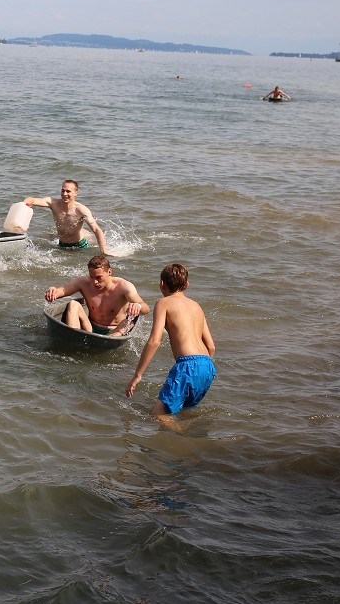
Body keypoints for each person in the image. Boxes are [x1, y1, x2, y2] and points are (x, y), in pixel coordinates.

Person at [125, 263, 216, 433]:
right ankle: (185, 452)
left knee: (157, 414)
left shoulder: (163, 303)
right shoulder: (196, 306)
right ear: (187, 285)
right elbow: (211, 346)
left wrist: (137, 375)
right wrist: (201, 369)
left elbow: (154, 341)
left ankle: (186, 439)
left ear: (161, 284)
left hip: (188, 364)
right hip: (207, 366)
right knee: (181, 411)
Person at [44, 254, 149, 335]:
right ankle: (74, 336)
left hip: (113, 331)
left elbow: (146, 308)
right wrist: (53, 291)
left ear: (109, 272)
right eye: (92, 277)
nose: (94, 282)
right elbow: (62, 290)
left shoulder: (123, 286)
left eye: (99, 277)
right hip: (90, 327)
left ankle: (105, 341)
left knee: (128, 322)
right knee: (73, 304)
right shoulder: (83, 282)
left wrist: (138, 306)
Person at [24, 179, 110, 254]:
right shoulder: (54, 204)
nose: (65, 194)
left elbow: (96, 229)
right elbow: (33, 200)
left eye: (68, 191)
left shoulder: (81, 210)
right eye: (63, 191)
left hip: (79, 246)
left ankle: (87, 235)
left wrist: (104, 250)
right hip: (61, 244)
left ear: (76, 193)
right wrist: (24, 204)